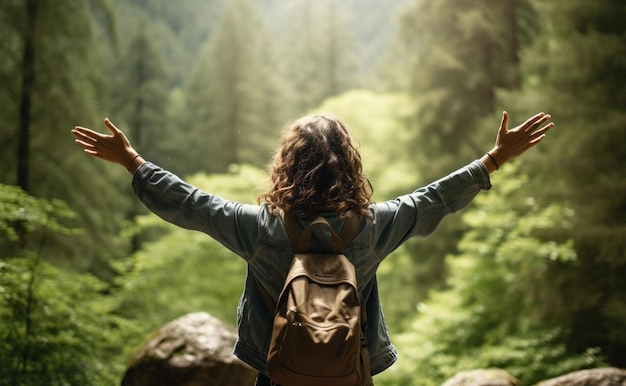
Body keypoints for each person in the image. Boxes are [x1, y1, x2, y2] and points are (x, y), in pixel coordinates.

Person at [72, 111, 553, 386]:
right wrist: (495, 158)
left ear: (286, 165)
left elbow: (191, 204)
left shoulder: (259, 229)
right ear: (349, 165)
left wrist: (131, 161)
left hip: (280, 373)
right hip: (350, 372)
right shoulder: (371, 227)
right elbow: (433, 199)